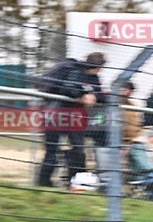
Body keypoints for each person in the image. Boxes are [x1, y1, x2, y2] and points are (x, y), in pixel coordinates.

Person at [37, 52, 106, 187]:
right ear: (98, 67)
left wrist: (91, 94)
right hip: (56, 114)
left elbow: (100, 95)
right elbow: (68, 90)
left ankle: (76, 181)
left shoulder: (93, 77)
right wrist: (85, 93)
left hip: (73, 118)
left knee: (78, 149)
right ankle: (44, 183)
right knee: (53, 151)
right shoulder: (73, 70)